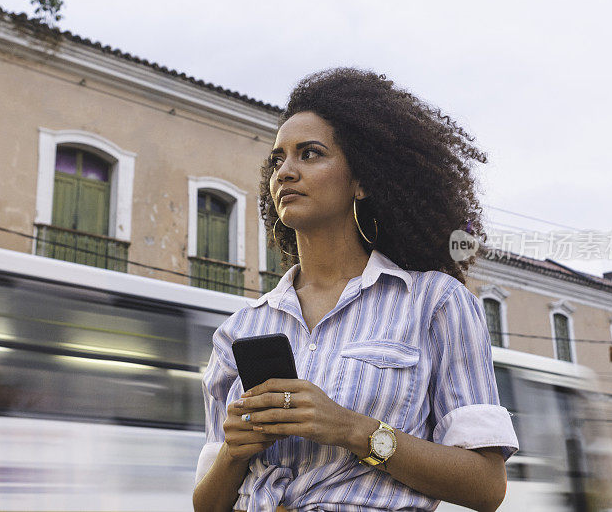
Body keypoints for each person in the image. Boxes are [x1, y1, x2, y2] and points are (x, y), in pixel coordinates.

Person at [192, 68, 519, 512]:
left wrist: (349, 428)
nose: (285, 171)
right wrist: (235, 452)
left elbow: (485, 486)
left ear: (362, 180)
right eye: (278, 160)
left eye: (310, 154)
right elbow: (206, 506)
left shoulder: (435, 303)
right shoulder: (239, 330)